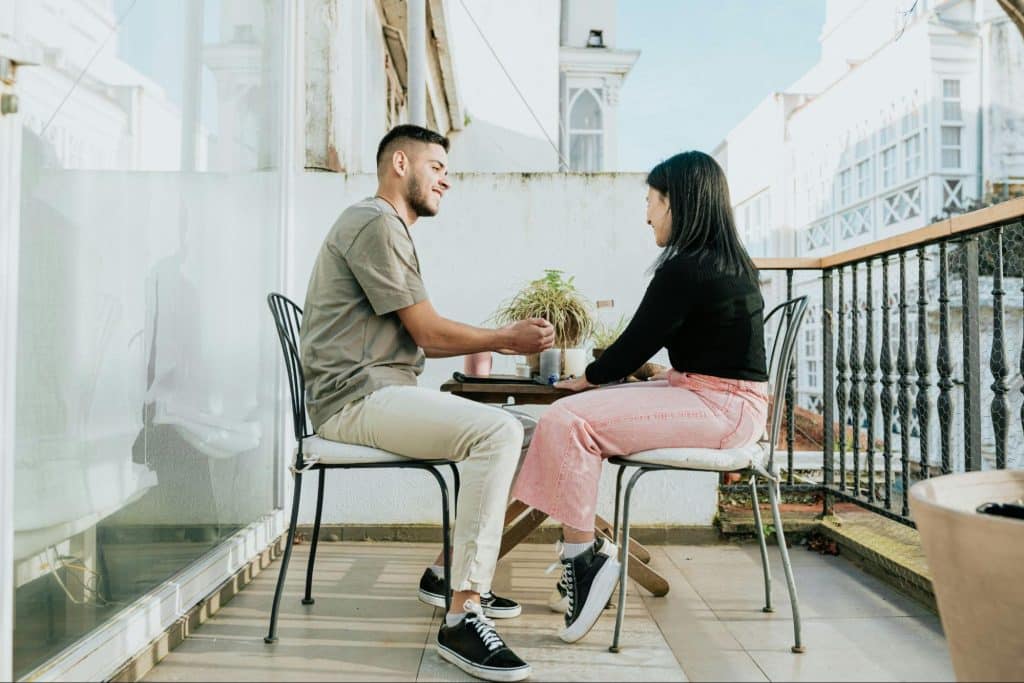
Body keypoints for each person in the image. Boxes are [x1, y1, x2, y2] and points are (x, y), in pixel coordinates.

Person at [301, 125, 554, 682]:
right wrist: (506, 338)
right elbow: (429, 336)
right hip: (354, 400)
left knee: (532, 434)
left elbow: (421, 335)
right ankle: (463, 615)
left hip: (379, 392)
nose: (446, 179)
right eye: (436, 166)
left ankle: (449, 576)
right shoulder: (373, 222)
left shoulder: (385, 227)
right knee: (499, 433)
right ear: (399, 163)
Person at [511, 150, 770, 643]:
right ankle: (580, 563)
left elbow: (633, 344)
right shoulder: (723, 263)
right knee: (570, 419)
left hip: (721, 408)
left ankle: (582, 566)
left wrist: (587, 377)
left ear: (678, 203)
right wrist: (624, 373)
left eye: (651, 199)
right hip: (722, 400)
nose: (646, 211)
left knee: (568, 420)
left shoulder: (687, 268)